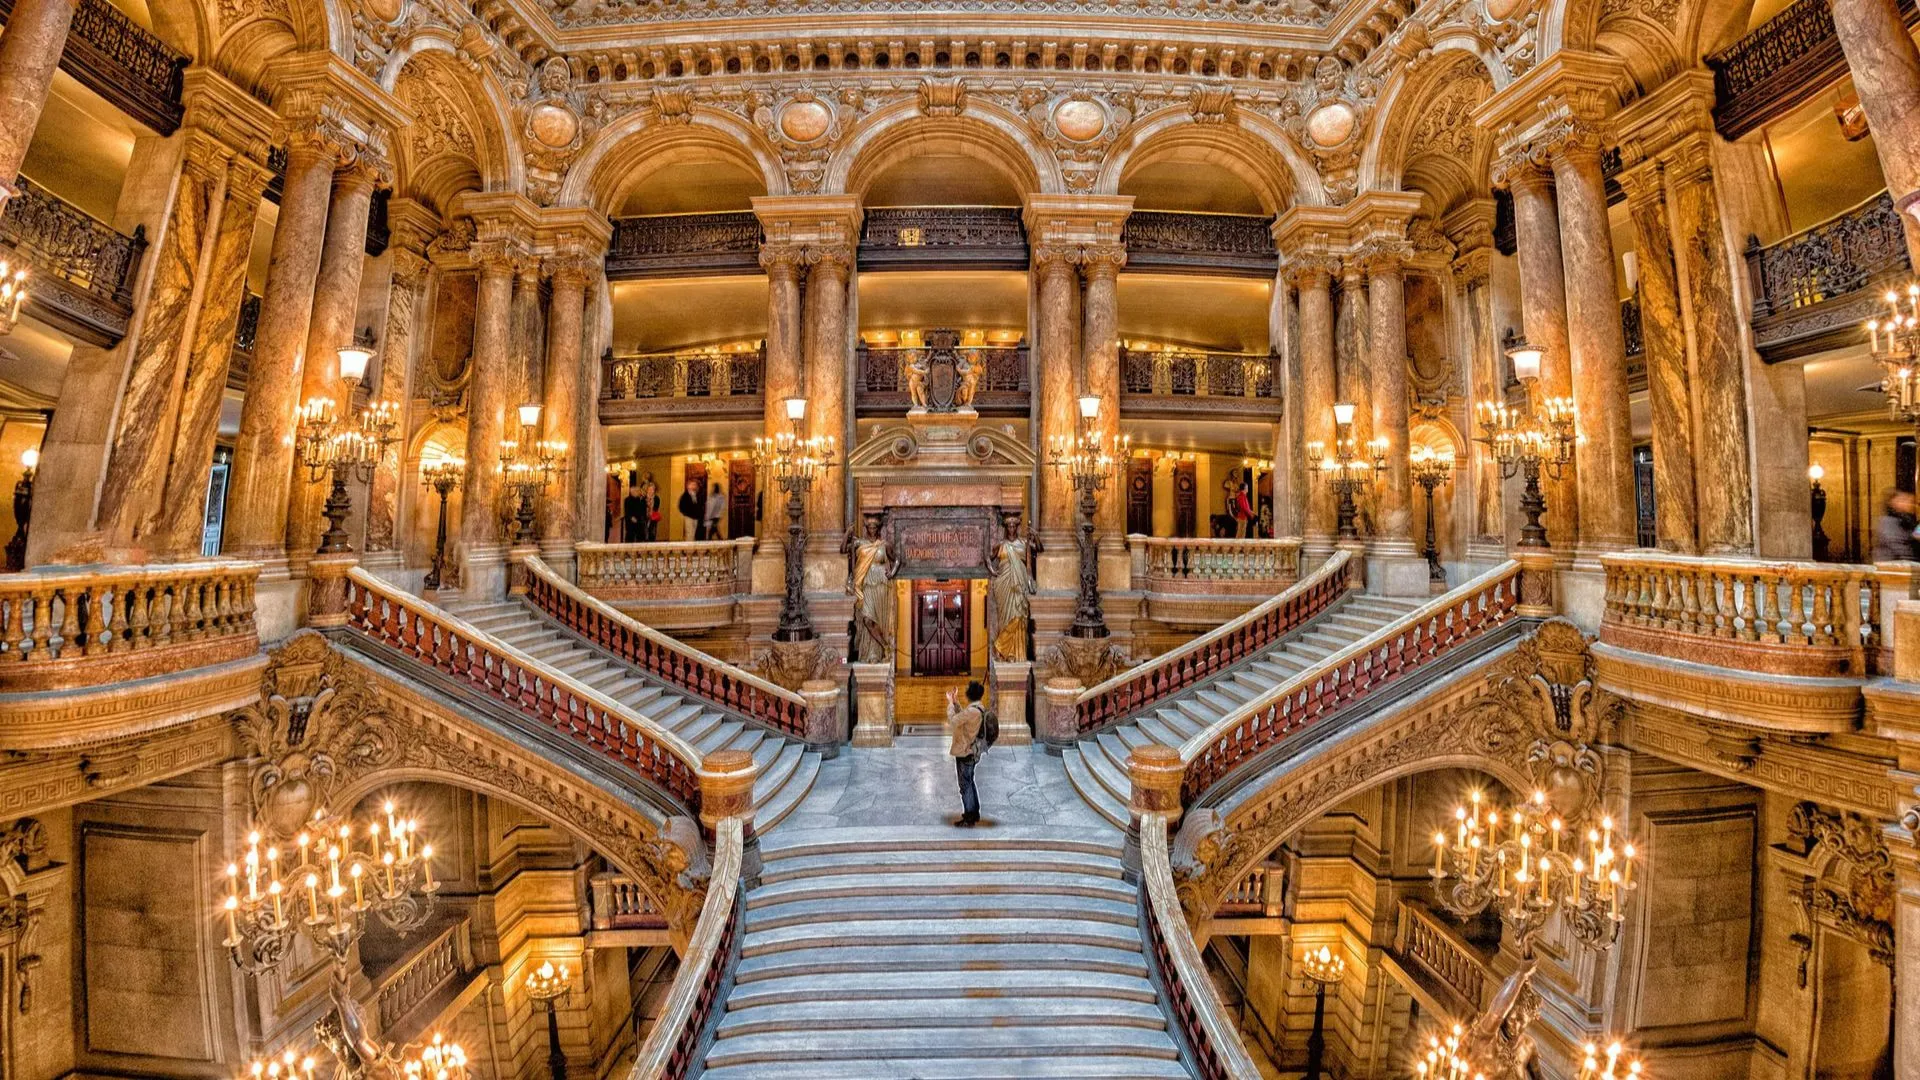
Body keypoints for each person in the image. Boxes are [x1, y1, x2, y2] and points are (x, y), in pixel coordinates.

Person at [945, 681, 986, 826]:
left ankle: (969, 817)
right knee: (970, 781)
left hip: (965, 751)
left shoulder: (972, 711)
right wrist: (956, 702)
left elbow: (954, 721)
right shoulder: (977, 708)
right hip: (971, 750)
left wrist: (950, 704)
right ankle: (974, 812)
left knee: (965, 785)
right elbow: (964, 717)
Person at [1873, 489, 1920, 562]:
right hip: (1893, 565)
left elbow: (1915, 535)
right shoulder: (1888, 521)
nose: (1910, 504)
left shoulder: (1907, 519)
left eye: (1912, 502)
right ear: (1894, 502)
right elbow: (1900, 547)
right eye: (1904, 500)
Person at [639, 476, 661, 541]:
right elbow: (641, 509)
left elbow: (656, 508)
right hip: (644, 519)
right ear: (647, 490)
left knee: (652, 534)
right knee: (644, 534)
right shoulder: (643, 498)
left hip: (653, 518)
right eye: (649, 489)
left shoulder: (657, 498)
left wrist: (650, 506)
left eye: (652, 489)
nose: (651, 491)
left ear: (654, 490)